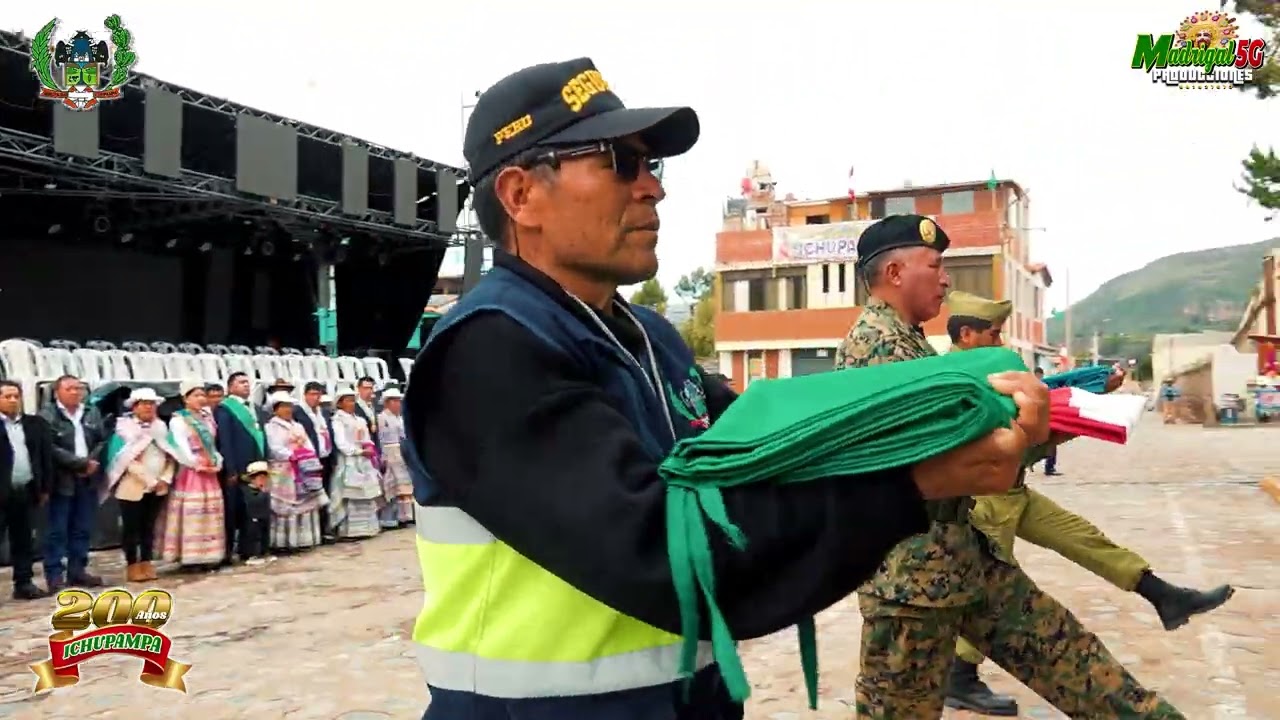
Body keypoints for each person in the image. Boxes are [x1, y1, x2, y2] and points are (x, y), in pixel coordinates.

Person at [401, 57, 1047, 720]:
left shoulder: (649, 337)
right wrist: (907, 484)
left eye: (654, 165)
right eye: (621, 161)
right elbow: (656, 550)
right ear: (519, 195)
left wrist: (944, 412)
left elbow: (779, 449)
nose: (652, 188)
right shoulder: (489, 351)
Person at [835, 217, 1183, 719]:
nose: (946, 279)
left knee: (1074, 661)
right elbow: (946, 461)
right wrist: (1039, 431)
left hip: (959, 559)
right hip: (913, 585)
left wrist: (1049, 427)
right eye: (934, 266)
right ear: (894, 272)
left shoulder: (906, 342)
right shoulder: (881, 346)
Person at [941, 292, 1234, 715]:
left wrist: (1088, 396)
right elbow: (1014, 442)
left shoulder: (987, 370)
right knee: (992, 584)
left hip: (1012, 492)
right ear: (966, 334)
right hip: (986, 500)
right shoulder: (960, 381)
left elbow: (1046, 402)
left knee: (1084, 538)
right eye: (994, 333)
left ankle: (1163, 595)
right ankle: (960, 676)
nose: (1001, 341)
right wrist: (1075, 417)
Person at [40, 374, 108, 591]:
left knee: (82, 528)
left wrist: (92, 462)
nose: (75, 393)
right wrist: (79, 464)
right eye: (70, 389)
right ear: (57, 392)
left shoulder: (91, 412)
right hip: (62, 480)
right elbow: (49, 447)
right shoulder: (47, 415)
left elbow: (101, 439)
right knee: (57, 530)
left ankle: (77, 571)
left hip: (88, 479)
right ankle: (54, 575)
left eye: (79, 389)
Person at [104, 388, 179, 583]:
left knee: (149, 528)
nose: (148, 407)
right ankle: (132, 565)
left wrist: (165, 478)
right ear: (134, 406)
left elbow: (172, 455)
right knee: (131, 529)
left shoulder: (161, 428)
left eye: (152, 403)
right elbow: (124, 460)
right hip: (132, 487)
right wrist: (150, 480)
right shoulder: (124, 429)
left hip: (158, 487)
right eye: (144, 403)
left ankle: (147, 562)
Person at [161, 381, 226, 568]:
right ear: (185, 399)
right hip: (191, 472)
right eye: (195, 395)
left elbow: (212, 444)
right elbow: (180, 446)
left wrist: (217, 460)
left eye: (202, 395)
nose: (200, 399)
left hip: (210, 469)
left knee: (210, 512)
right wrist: (196, 463)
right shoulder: (179, 420)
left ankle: (211, 554)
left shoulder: (207, 417)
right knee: (193, 513)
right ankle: (190, 556)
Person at [0, 380, 53, 600]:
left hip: (26, 489)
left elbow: (45, 457)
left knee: (23, 539)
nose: (13, 400)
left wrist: (45, 487)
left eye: (16, 396)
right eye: (7, 396)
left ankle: (23, 583)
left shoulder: (35, 424)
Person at [214, 371, 266, 564]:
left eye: (247, 382)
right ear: (230, 387)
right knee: (232, 509)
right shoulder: (225, 409)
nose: (246, 385)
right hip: (237, 466)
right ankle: (227, 552)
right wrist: (231, 469)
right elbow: (226, 440)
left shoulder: (255, 408)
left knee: (251, 509)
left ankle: (249, 549)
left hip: (255, 465)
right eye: (241, 382)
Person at [263, 391, 325, 551]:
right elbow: (274, 448)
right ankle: (284, 542)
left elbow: (308, 444)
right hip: (284, 469)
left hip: (303, 468)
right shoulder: (271, 427)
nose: (287, 409)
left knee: (305, 503)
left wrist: (307, 456)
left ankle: (304, 540)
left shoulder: (298, 426)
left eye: (289, 406)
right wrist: (292, 455)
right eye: (283, 406)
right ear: (275, 409)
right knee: (287, 506)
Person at [328, 387, 382, 540]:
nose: (352, 403)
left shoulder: (360, 420)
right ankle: (349, 531)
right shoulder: (338, 420)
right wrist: (357, 451)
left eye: (353, 400)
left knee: (366, 495)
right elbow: (341, 442)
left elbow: (366, 438)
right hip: (349, 460)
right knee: (351, 495)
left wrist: (369, 447)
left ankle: (367, 529)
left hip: (363, 461)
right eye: (348, 400)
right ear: (340, 403)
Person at [294, 381, 336, 542]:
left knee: (324, 494)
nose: (315, 397)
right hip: (309, 460)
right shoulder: (299, 412)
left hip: (325, 458)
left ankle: (324, 529)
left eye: (318, 394)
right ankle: (312, 532)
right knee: (311, 496)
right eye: (312, 394)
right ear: (305, 395)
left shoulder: (324, 413)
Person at [376, 388, 412, 528]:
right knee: (392, 488)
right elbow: (381, 438)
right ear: (386, 403)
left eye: (398, 401)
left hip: (401, 452)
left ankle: (405, 516)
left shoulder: (400, 418)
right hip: (389, 453)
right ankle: (389, 519)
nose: (397, 404)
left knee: (404, 488)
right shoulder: (382, 418)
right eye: (393, 401)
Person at [238, 461, 274, 565]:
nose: (263, 481)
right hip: (253, 517)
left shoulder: (264, 491)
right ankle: (251, 554)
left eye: (265, 478)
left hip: (263, 516)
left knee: (264, 534)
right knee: (253, 535)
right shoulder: (247, 491)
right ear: (252, 479)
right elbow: (251, 503)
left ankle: (264, 552)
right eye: (260, 478)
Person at [353, 376, 380, 450]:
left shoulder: (375, 406)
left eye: (370, 388)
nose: (369, 391)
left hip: (375, 445)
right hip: (363, 447)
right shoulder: (354, 408)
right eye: (365, 388)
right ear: (358, 389)